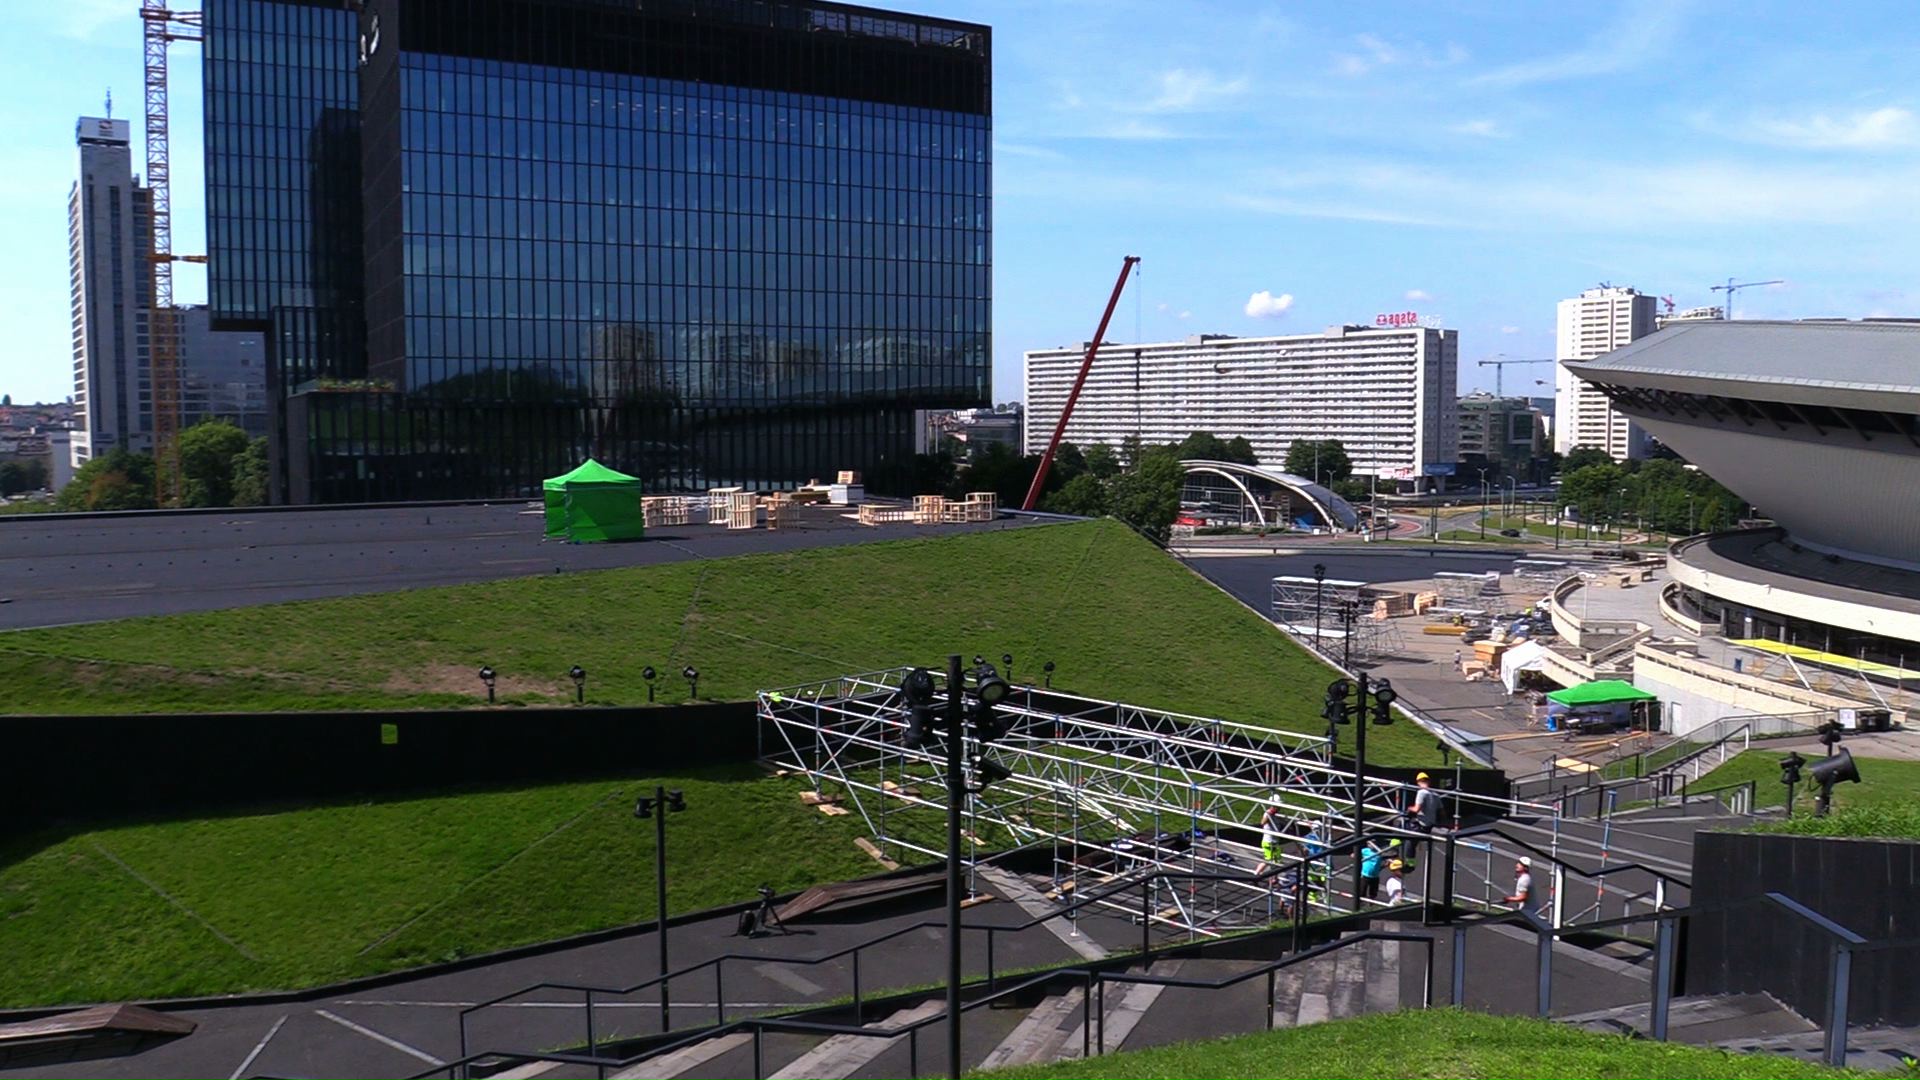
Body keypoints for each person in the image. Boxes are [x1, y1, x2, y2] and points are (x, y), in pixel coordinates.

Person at [1405, 772, 1442, 869]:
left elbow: (1416, 809)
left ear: (1418, 782)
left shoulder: (1421, 792)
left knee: (1409, 841)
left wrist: (1409, 808)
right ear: (1429, 781)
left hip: (1421, 825)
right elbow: (1442, 812)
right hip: (1429, 826)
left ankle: (1410, 864)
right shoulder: (1435, 794)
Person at [1358, 836, 1388, 901]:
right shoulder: (1365, 851)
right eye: (1370, 844)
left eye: (1374, 844)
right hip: (1365, 875)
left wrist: (1384, 866)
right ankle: (1360, 906)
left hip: (1375, 877)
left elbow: (1383, 862)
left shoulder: (1379, 852)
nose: (1371, 845)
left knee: (1373, 894)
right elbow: (1354, 854)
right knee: (1362, 892)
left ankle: (1371, 906)